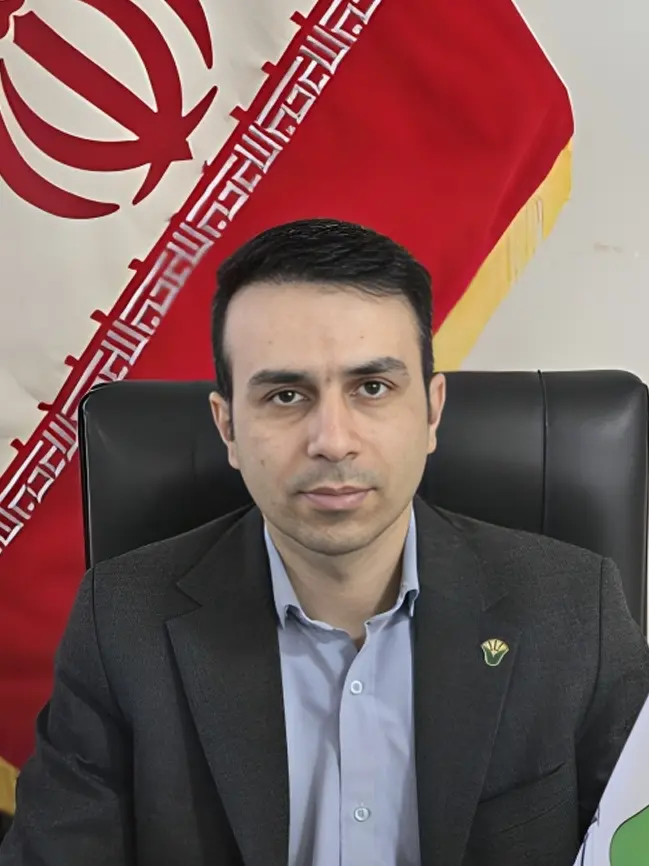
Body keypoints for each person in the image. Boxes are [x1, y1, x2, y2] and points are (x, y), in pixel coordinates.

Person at [1, 219, 648, 866]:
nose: (333, 441)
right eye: (286, 395)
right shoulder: (122, 622)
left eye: (372, 388)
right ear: (227, 428)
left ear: (431, 411)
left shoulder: (574, 609)